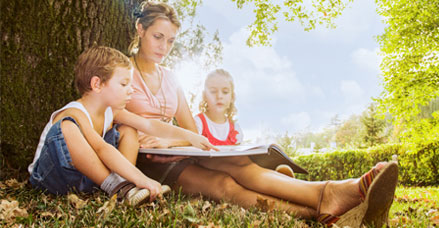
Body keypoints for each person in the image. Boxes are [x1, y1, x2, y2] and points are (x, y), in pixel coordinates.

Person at [125, 1, 399, 227]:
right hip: (148, 163)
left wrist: (171, 142)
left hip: (176, 150)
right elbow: (117, 122)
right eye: (157, 37)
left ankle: (329, 195)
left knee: (241, 164)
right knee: (224, 186)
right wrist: (160, 142)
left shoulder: (171, 78)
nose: (163, 47)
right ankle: (318, 209)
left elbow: (193, 134)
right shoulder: (123, 71)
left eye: (170, 41)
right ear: (140, 29)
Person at [28, 46, 216, 206]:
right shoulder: (75, 113)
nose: (131, 90)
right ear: (97, 84)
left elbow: (149, 125)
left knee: (128, 129)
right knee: (67, 127)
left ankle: (124, 185)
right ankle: (121, 186)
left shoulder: (112, 112)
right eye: (124, 83)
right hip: (52, 177)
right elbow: (102, 149)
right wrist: (140, 178)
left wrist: (191, 136)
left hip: (87, 179)